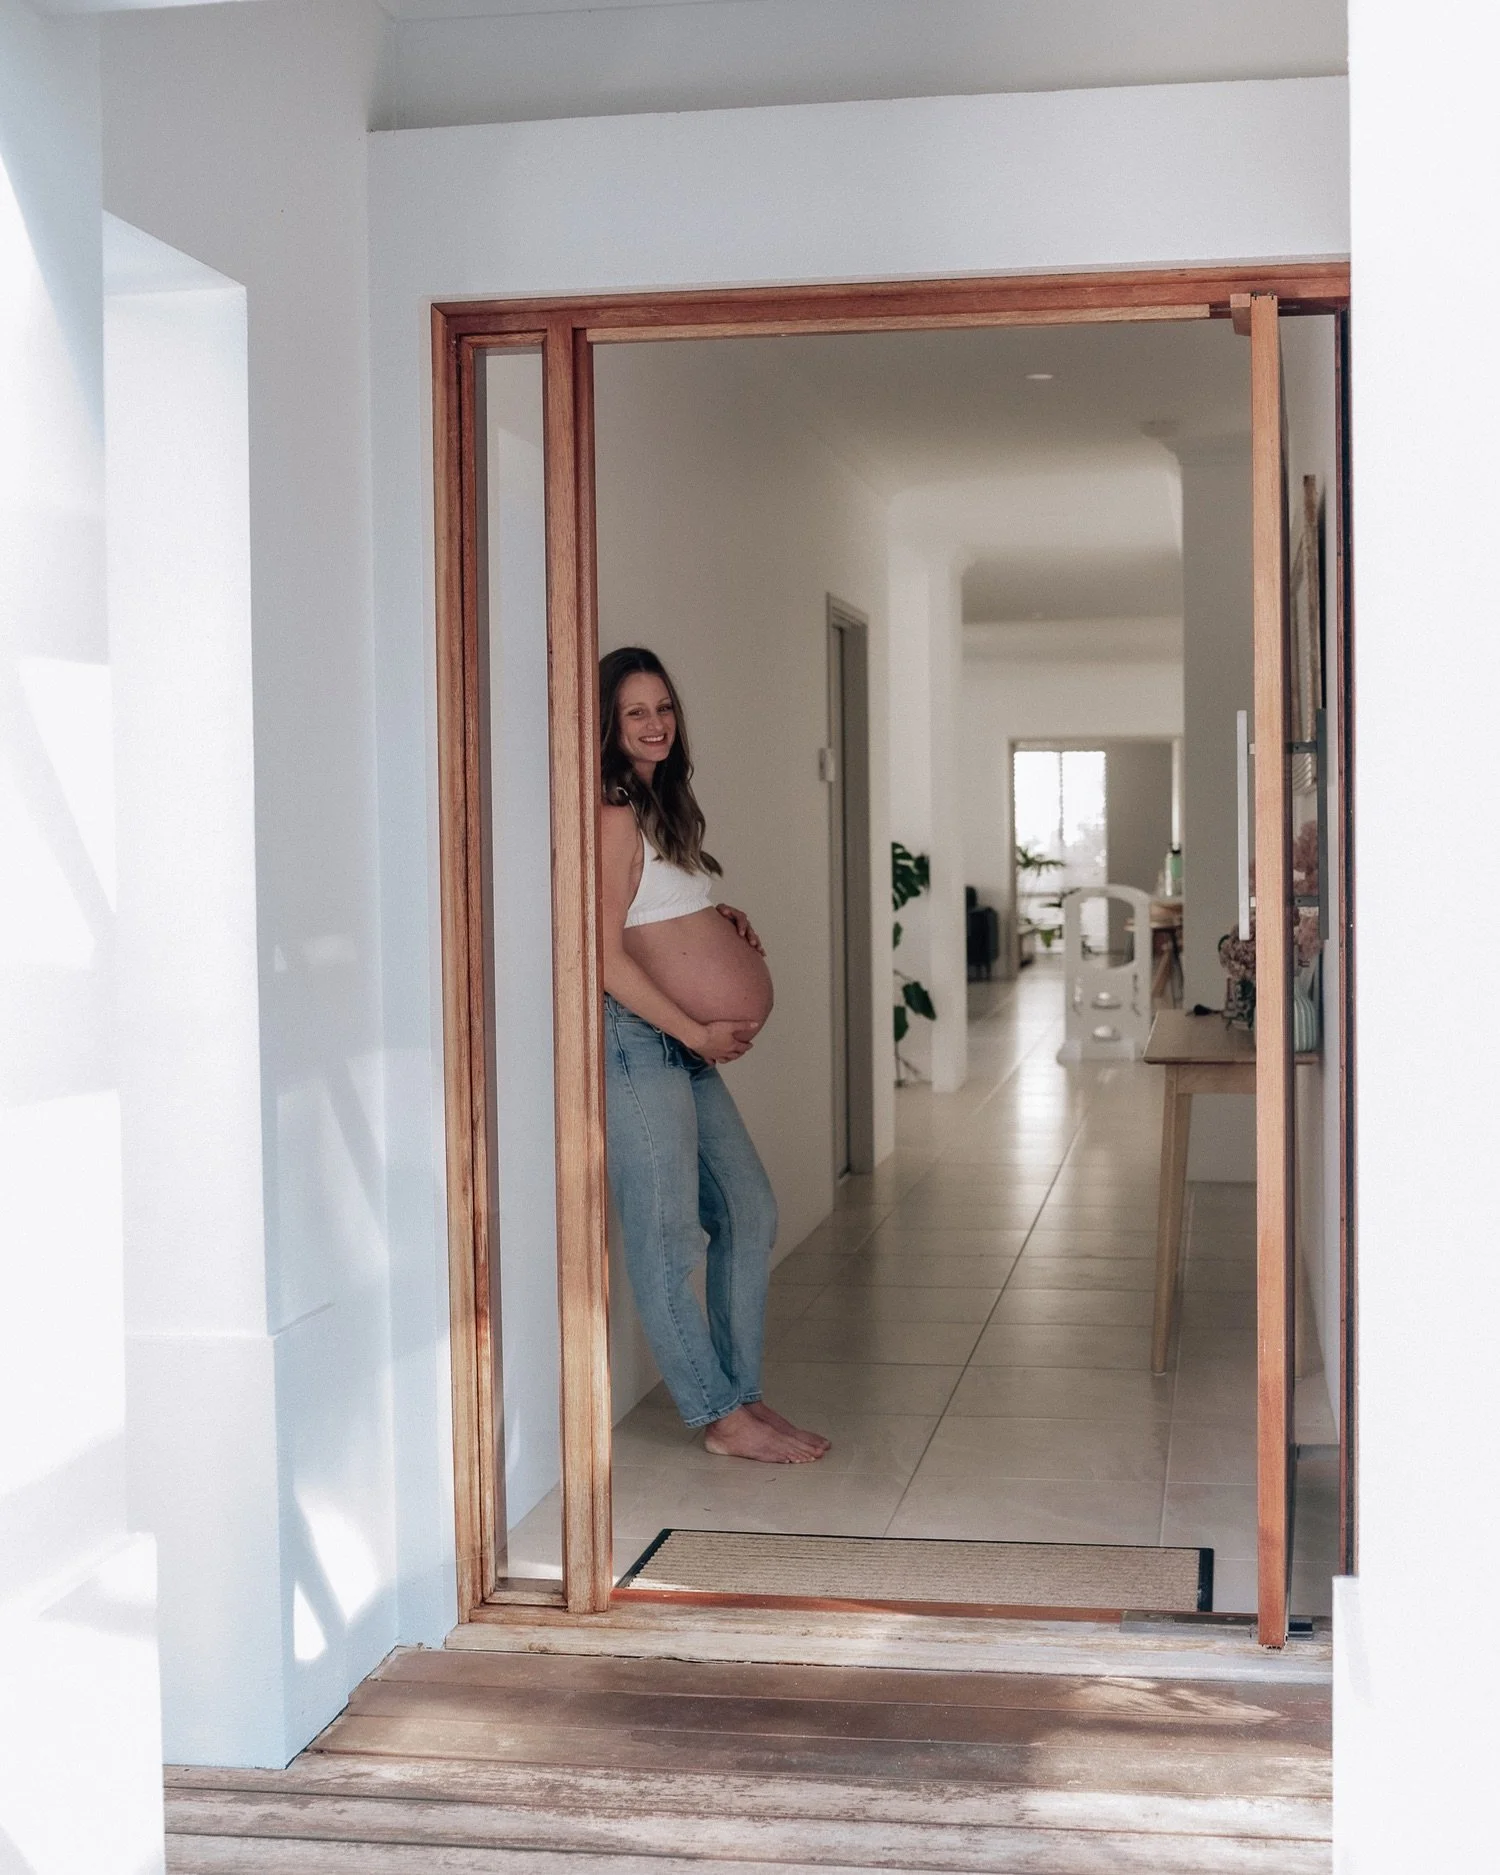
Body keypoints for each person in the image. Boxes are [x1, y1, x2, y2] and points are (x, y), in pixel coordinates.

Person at [599, 646, 829, 1464]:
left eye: (663, 706)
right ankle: (718, 1416)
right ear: (609, 724)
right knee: (665, 1236)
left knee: (750, 1208)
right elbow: (601, 953)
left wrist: (710, 912)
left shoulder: (662, 807)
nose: (655, 722)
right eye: (636, 711)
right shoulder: (614, 809)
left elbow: (650, 917)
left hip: (677, 1041)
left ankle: (744, 1396)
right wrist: (697, 1028)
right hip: (638, 1043)